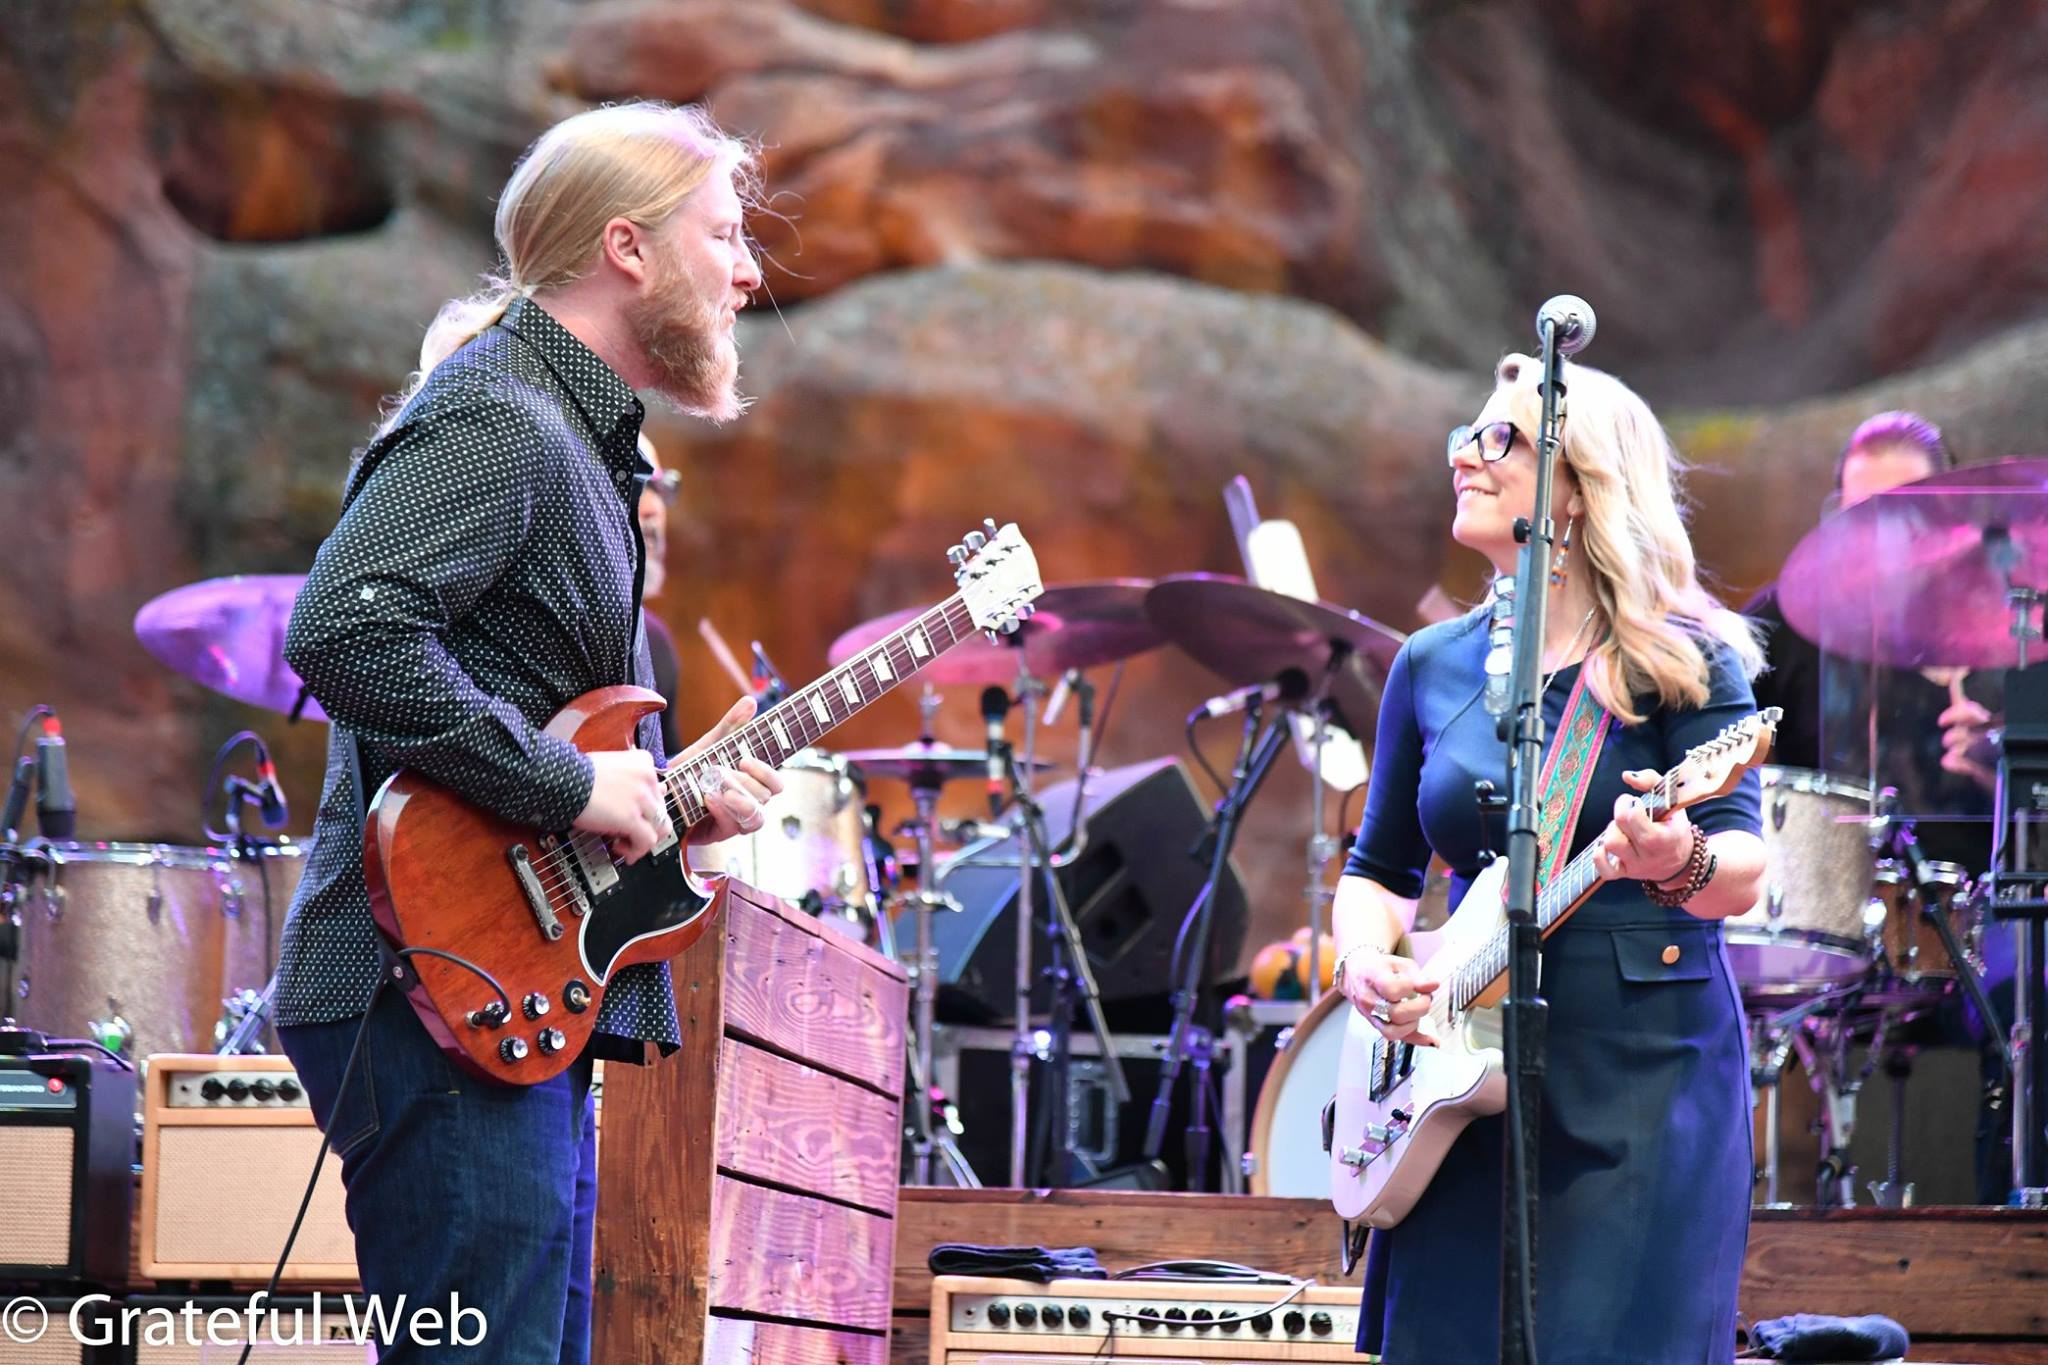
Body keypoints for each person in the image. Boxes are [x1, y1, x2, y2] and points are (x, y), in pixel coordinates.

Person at [275, 101, 782, 1363]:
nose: (747, 271)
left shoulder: (573, 435)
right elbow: (343, 630)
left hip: (493, 994)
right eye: (723, 234)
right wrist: (569, 785)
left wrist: (664, 803)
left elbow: (540, 721)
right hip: (426, 994)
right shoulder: (503, 412)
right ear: (627, 248)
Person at [1332, 353, 1769, 1362]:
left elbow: (1747, 867)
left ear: (1579, 485)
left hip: (1639, 1078)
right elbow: (1376, 874)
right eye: (1466, 434)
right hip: (1454, 1081)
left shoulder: (1680, 659)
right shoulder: (1429, 664)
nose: (1464, 457)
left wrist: (1676, 857)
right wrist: (1364, 963)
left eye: (1502, 440)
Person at [637, 429, 687, 756]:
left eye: (660, 487)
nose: (653, 507)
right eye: (638, 486)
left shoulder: (654, 642)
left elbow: (665, 777)